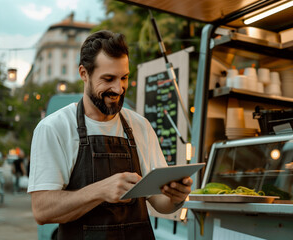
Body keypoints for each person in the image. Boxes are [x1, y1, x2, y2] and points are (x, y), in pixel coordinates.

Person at [28, 30, 192, 239]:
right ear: (84, 74)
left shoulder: (140, 126)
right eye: (108, 79)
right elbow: (42, 211)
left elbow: (161, 203)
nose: (119, 88)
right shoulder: (54, 128)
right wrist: (100, 191)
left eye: (124, 78)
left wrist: (176, 197)